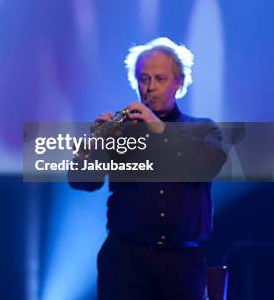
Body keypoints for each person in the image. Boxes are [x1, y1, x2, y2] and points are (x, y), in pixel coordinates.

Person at [69, 37, 227, 300]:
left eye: (160, 79)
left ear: (178, 82)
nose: (150, 87)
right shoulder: (121, 130)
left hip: (181, 262)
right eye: (143, 79)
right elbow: (82, 181)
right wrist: (94, 142)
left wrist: (159, 129)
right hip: (125, 260)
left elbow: (208, 164)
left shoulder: (202, 129)